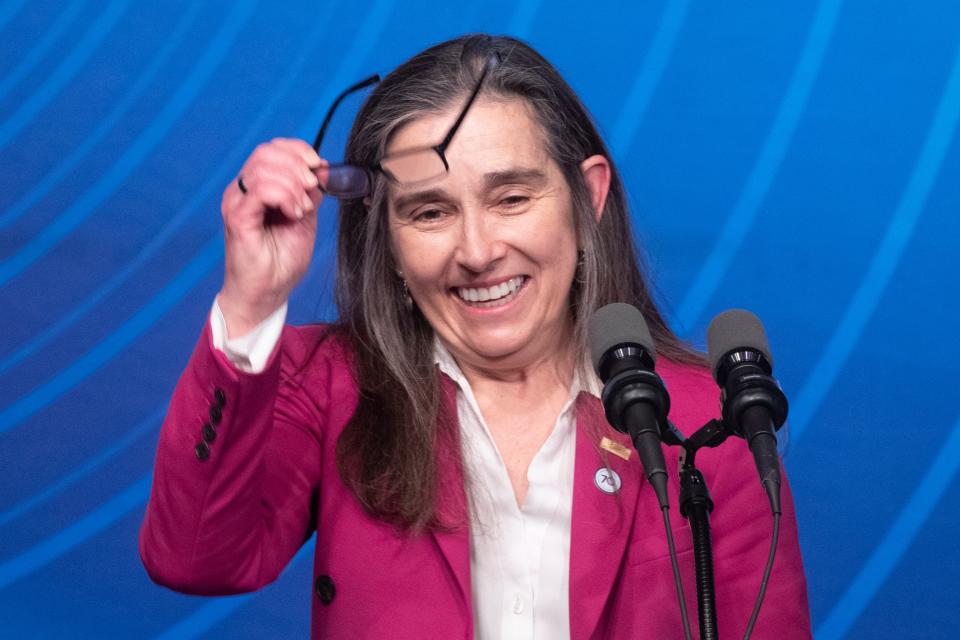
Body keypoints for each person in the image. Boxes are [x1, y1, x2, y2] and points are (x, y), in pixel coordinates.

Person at [139, 34, 811, 639]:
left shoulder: (707, 422)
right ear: (388, 239)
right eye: (430, 211)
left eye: (511, 198)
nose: (478, 250)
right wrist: (252, 301)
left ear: (589, 199)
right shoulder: (328, 387)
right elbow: (195, 559)